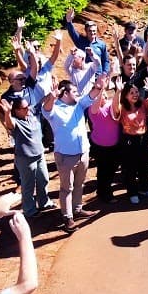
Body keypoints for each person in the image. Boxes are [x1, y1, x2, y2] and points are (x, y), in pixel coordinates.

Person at [42, 77, 105, 232]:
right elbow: (46, 109)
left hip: (83, 152)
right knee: (66, 188)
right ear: (65, 93)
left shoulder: (79, 104)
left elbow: (90, 96)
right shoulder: (55, 108)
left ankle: (77, 209)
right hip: (66, 156)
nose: (77, 93)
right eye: (74, 91)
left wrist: (98, 86)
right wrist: (52, 96)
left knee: (79, 183)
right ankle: (67, 217)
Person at [0, 97, 52, 218]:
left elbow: (41, 102)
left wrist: (52, 94)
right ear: (17, 111)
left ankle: (44, 202)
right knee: (28, 185)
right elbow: (10, 124)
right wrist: (7, 113)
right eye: (24, 108)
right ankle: (29, 210)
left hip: (39, 155)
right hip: (25, 158)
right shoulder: (16, 122)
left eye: (28, 106)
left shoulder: (31, 112)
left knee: (43, 179)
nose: (28, 109)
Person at [112, 76, 148, 204]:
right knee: (131, 167)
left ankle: (145, 188)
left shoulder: (142, 103)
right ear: (126, 95)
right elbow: (115, 109)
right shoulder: (122, 107)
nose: (135, 95)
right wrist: (118, 91)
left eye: (136, 92)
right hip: (129, 140)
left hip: (143, 138)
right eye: (131, 93)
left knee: (144, 164)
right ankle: (132, 192)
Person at [88, 79, 121, 204]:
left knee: (112, 169)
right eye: (102, 96)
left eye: (106, 95)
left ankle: (104, 190)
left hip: (114, 145)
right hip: (100, 146)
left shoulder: (110, 105)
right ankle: (104, 193)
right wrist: (101, 89)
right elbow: (95, 107)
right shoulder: (93, 110)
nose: (105, 97)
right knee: (103, 170)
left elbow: (115, 107)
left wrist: (118, 91)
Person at [64, 8, 110, 75]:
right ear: (86, 31)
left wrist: (104, 73)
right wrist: (69, 21)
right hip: (84, 75)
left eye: (94, 31)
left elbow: (105, 60)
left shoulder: (101, 44)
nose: (92, 33)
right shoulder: (80, 41)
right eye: (90, 31)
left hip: (97, 76)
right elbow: (72, 32)